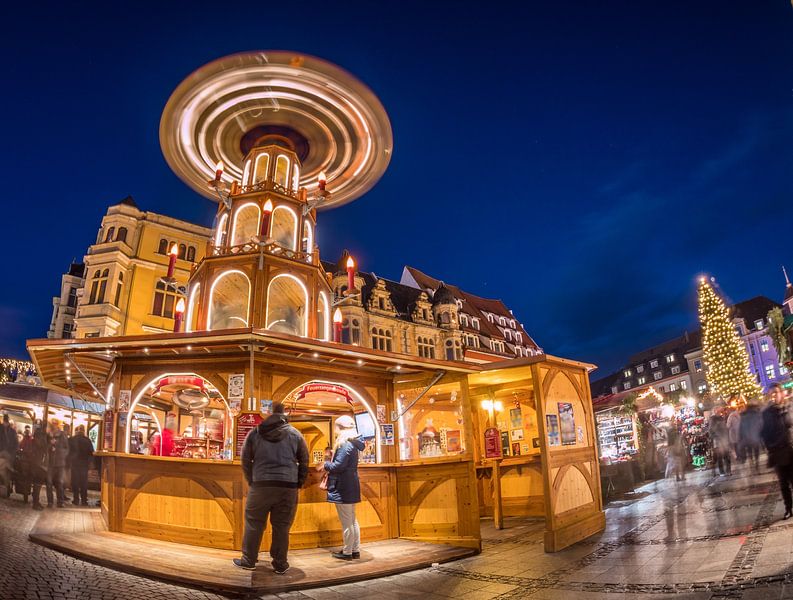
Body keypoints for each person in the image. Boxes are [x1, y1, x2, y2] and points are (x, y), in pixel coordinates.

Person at [234, 403, 308, 573]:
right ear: (284, 414)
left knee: (254, 523)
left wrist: (252, 480)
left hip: (261, 485)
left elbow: (245, 459)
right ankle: (280, 563)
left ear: (268, 413)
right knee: (282, 526)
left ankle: (248, 560)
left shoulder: (255, 432)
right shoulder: (295, 434)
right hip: (287, 487)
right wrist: (298, 483)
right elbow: (304, 461)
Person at [323, 415, 365, 560]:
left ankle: (347, 552)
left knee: (347, 520)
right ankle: (355, 549)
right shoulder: (353, 443)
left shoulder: (345, 444)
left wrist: (325, 464)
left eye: (337, 427)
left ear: (341, 428)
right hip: (351, 483)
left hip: (343, 485)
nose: (335, 430)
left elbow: (338, 466)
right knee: (352, 519)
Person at [761, 383, 793, 519]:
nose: (774, 395)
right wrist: (771, 447)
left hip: (791, 450)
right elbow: (764, 433)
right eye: (772, 393)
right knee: (783, 483)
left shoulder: (787, 408)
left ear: (781, 393)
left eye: (777, 392)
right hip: (777, 451)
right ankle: (789, 509)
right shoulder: (767, 413)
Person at [68, 425, 93, 506]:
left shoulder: (72, 439)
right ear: (84, 431)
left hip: (74, 464)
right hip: (84, 465)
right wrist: (90, 465)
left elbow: (68, 451)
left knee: (75, 482)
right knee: (84, 483)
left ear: (77, 430)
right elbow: (91, 453)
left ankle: (76, 500)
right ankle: (84, 501)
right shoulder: (87, 440)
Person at [47, 420, 69, 508]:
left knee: (59, 483)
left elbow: (67, 448)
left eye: (56, 425)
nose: (55, 426)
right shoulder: (49, 436)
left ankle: (60, 502)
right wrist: (50, 445)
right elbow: (45, 447)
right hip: (50, 463)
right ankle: (50, 502)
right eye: (53, 425)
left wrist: (61, 454)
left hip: (60, 463)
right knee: (49, 483)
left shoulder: (62, 435)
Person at [29, 422, 49, 511]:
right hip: (39, 463)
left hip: (38, 462)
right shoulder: (41, 436)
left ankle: (36, 502)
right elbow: (43, 447)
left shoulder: (38, 436)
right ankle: (35, 503)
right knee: (38, 483)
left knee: (38, 484)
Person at [740, 400, 763, 471]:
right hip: (755, 437)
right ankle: (756, 463)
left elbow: (741, 428)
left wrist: (741, 438)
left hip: (747, 438)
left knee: (749, 451)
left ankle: (751, 462)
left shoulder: (743, 416)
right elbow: (761, 425)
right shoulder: (757, 414)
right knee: (756, 451)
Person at [709, 407, 732, 476]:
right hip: (718, 441)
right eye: (718, 411)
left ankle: (728, 470)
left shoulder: (721, 418)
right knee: (720, 456)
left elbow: (725, 428)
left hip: (723, 439)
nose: (719, 412)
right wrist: (715, 437)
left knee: (726, 455)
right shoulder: (712, 419)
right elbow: (711, 430)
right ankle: (722, 471)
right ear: (715, 411)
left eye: (720, 411)